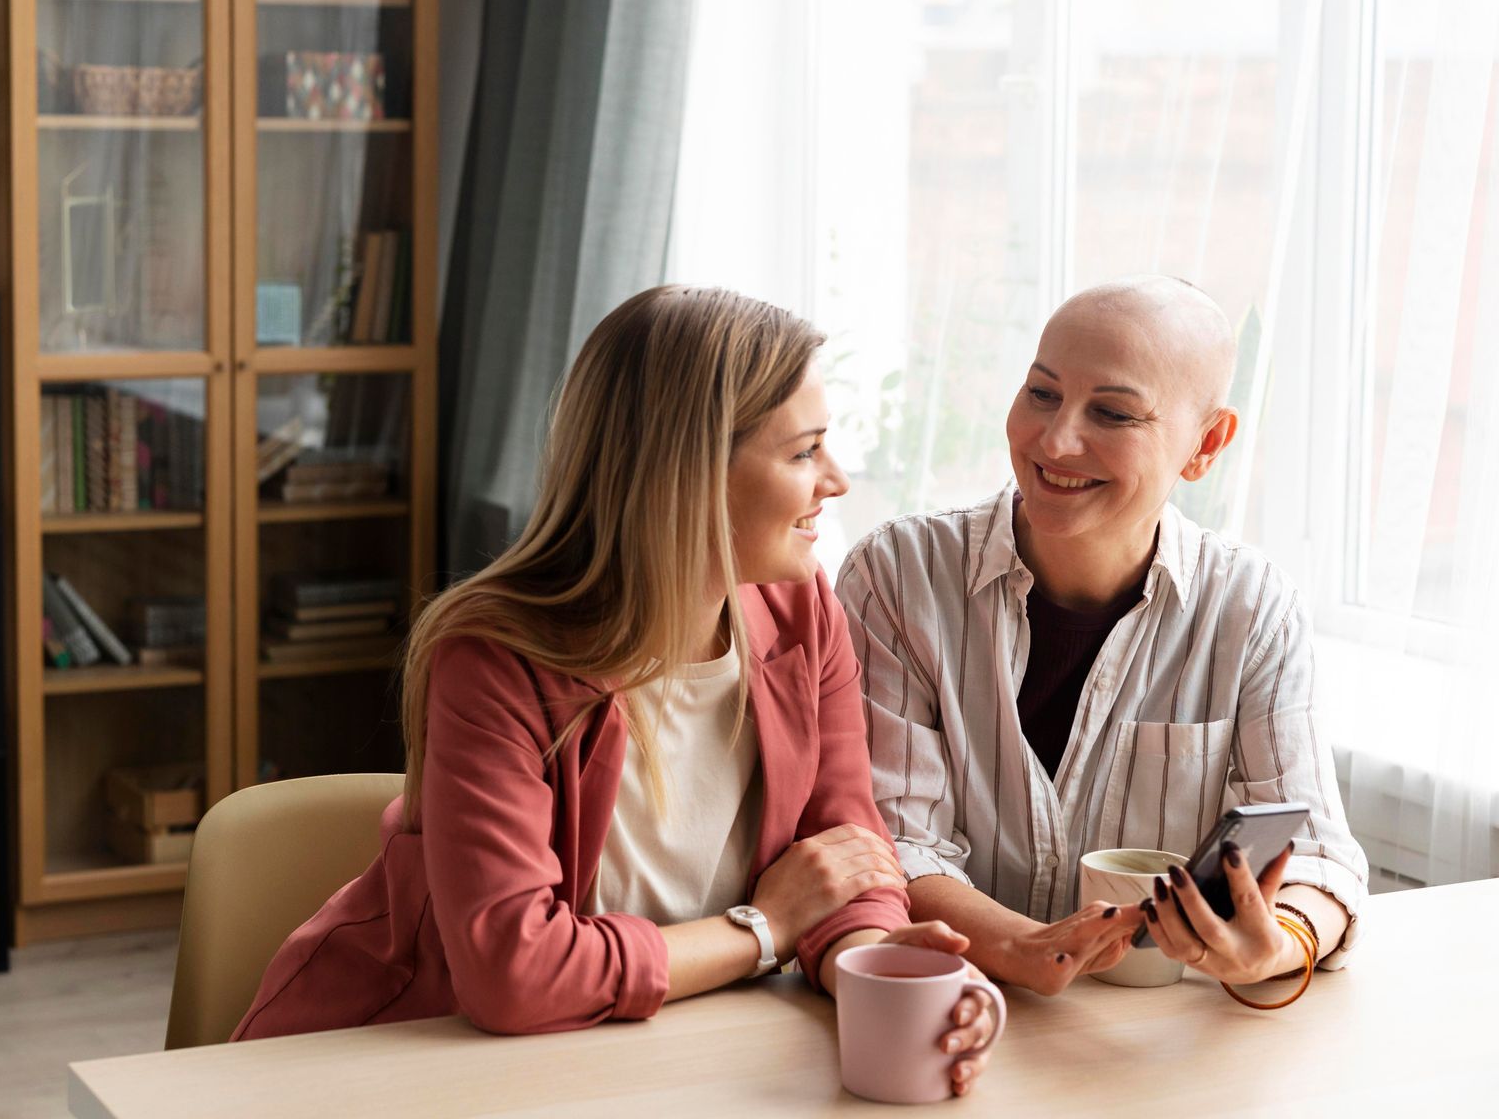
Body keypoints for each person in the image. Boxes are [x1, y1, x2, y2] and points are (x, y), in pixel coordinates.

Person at [235, 286, 998, 1095]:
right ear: (690, 474)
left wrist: (878, 970)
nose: (836, 481)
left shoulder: (803, 611)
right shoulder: (493, 659)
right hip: (393, 1065)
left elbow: (845, 854)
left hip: (650, 1060)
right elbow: (513, 973)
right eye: (804, 453)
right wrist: (764, 928)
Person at [838, 276, 1367, 999]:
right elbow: (887, 843)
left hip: (1151, 1032)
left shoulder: (1252, 607)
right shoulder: (898, 575)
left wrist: (1277, 944)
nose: (1055, 441)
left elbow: (1319, 856)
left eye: (1113, 413)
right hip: (950, 1005)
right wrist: (1025, 947)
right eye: (1041, 393)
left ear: (1206, 444)